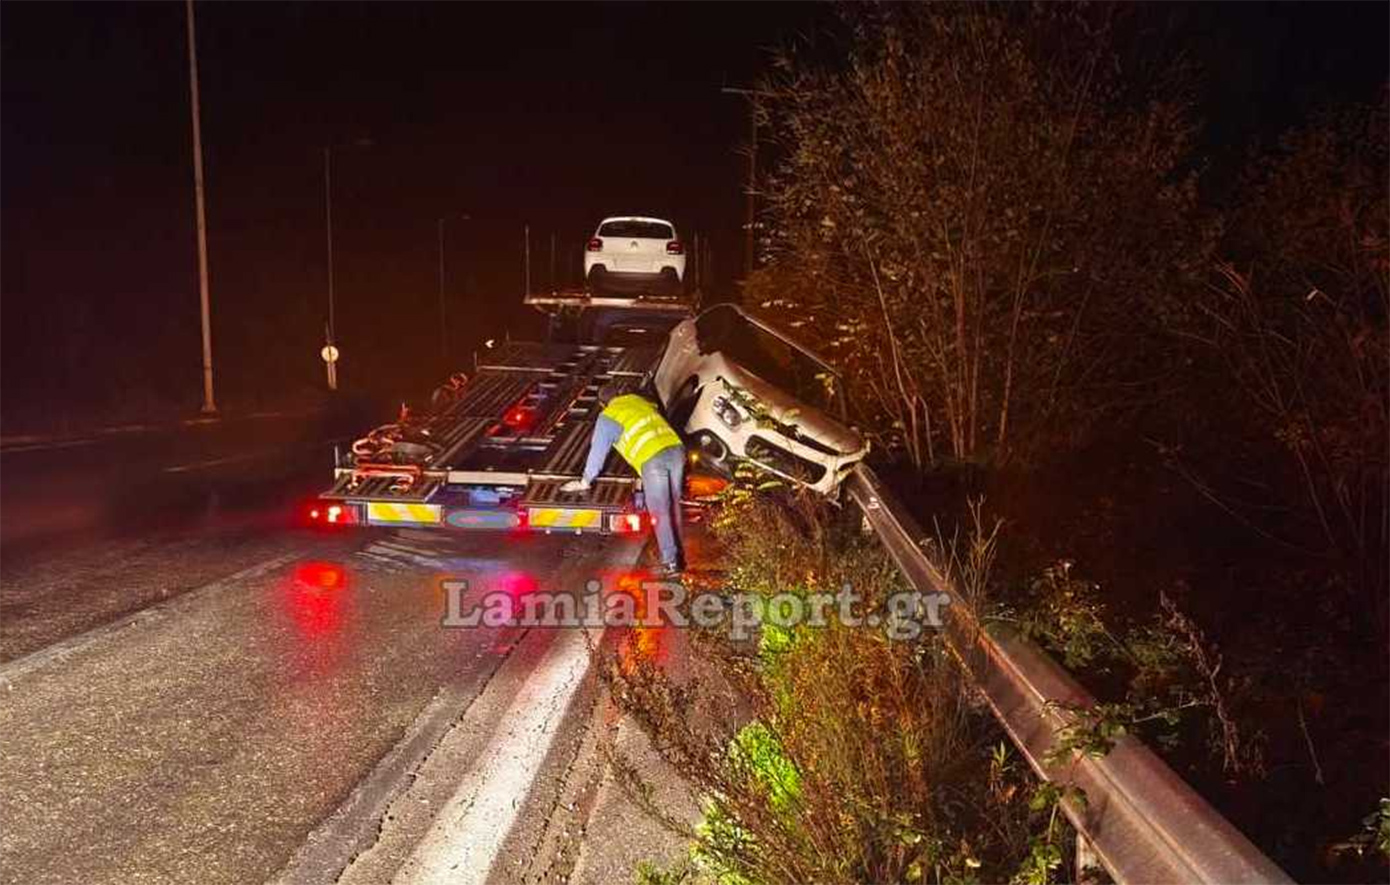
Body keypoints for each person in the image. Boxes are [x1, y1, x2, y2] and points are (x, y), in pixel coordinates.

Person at [561, 383, 686, 576]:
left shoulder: (608, 416)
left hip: (653, 457)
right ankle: (679, 555)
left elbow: (598, 452)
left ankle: (671, 562)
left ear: (603, 404)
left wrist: (585, 481)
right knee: (673, 504)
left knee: (660, 511)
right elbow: (653, 407)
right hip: (676, 449)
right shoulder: (637, 400)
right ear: (619, 394)